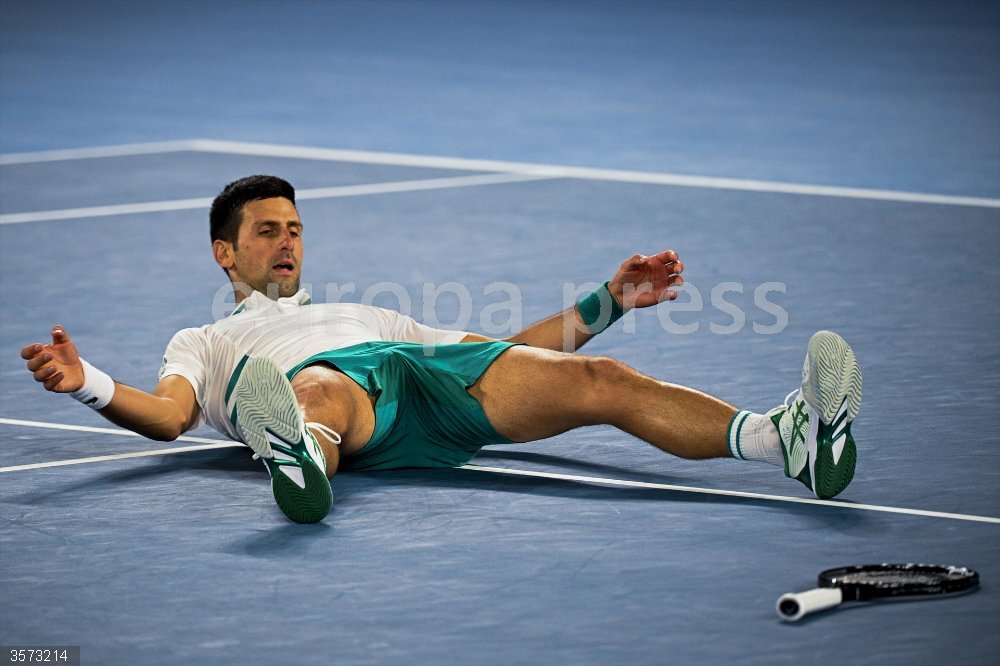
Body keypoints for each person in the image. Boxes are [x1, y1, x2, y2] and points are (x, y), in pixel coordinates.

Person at [20, 175, 862, 523]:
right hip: (331, 396)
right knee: (313, 385)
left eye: (296, 230)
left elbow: (504, 347)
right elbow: (168, 418)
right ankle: (299, 464)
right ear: (225, 253)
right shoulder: (203, 339)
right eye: (267, 232)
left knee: (595, 379)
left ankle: (783, 440)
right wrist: (87, 381)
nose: (287, 243)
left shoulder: (369, 311)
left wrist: (612, 302)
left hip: (418, 380)